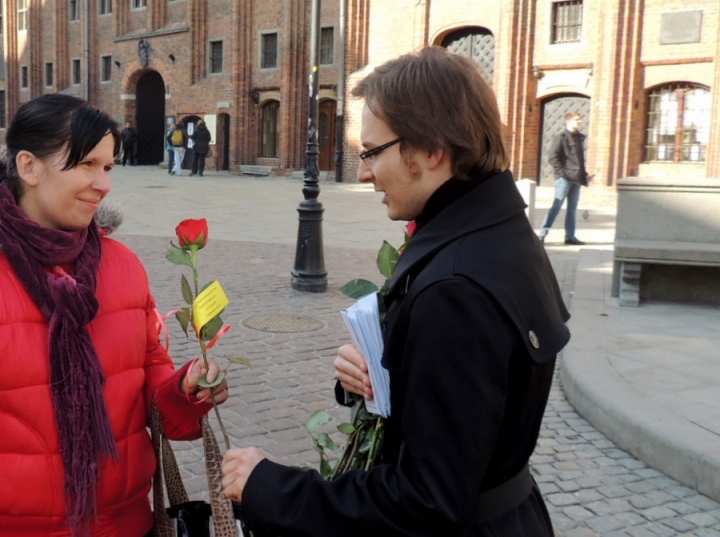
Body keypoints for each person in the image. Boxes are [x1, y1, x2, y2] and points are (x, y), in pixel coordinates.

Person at [222, 47, 569, 537]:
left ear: (431, 149)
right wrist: (384, 370)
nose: (364, 172)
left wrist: (269, 488)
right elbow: (475, 398)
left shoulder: (454, 289)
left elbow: (425, 500)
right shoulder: (497, 232)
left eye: (371, 152)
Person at [0, 93, 229, 536]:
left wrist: (184, 390)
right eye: (87, 165)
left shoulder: (122, 265)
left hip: (125, 525)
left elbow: (148, 384)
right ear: (29, 167)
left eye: (108, 167)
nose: (104, 183)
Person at [539, 112, 589, 245]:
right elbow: (552, 158)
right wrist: (562, 173)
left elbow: (579, 160)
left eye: (580, 119)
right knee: (556, 206)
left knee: (572, 209)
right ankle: (542, 234)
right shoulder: (560, 138)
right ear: (568, 121)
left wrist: (584, 175)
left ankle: (570, 237)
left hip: (576, 178)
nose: (580, 122)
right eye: (576, 120)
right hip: (564, 178)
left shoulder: (580, 138)